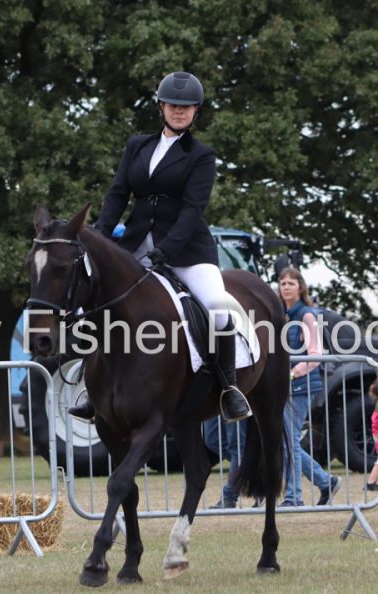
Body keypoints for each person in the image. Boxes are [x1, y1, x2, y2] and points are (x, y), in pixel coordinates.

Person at [70, 71, 250, 423]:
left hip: (187, 249)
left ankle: (229, 388)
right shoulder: (137, 146)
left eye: (186, 107)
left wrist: (166, 250)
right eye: (173, 105)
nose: (179, 111)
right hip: (136, 241)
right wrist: (100, 237)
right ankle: (93, 389)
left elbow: (192, 210)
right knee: (94, 302)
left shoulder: (202, 155)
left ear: (196, 111)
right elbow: (118, 194)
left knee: (218, 308)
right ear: (161, 107)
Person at [278, 267, 340, 507]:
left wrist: (292, 374)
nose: (286, 287)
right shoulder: (284, 315)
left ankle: (294, 496)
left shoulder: (307, 316)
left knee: (289, 440)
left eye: (291, 283)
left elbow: (315, 355)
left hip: (301, 385)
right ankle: (326, 482)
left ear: (300, 287)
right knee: (286, 441)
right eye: (283, 283)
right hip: (288, 386)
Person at [204, 417, 247, 509]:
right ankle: (255, 471)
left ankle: (229, 496)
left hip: (233, 407)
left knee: (236, 444)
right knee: (213, 440)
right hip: (210, 407)